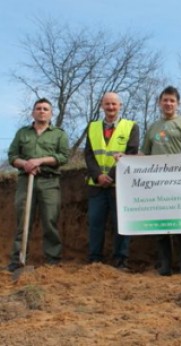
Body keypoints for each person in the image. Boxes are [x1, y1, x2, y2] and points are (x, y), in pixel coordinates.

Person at [141, 86, 181, 276]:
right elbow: (143, 154)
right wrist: (125, 160)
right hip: (158, 184)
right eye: (165, 100)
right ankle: (165, 266)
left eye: (172, 101)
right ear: (160, 103)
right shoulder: (153, 127)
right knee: (161, 225)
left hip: (180, 183)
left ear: (178, 103)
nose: (168, 104)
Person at [7, 98, 69, 271]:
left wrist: (40, 160)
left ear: (51, 113)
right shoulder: (22, 133)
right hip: (25, 181)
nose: (42, 111)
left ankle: (52, 260)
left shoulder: (59, 134)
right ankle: (18, 260)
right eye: (39, 108)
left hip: (49, 182)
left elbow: (63, 157)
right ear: (33, 112)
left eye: (45, 109)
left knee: (50, 220)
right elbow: (12, 156)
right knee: (23, 220)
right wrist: (25, 164)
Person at [84, 92, 140, 270]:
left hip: (120, 186)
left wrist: (111, 176)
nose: (110, 108)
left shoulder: (131, 126)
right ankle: (94, 259)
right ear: (102, 105)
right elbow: (89, 155)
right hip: (97, 186)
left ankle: (121, 260)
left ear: (120, 106)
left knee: (121, 225)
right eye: (107, 104)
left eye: (114, 104)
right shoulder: (92, 127)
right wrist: (98, 176)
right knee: (95, 223)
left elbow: (131, 153)